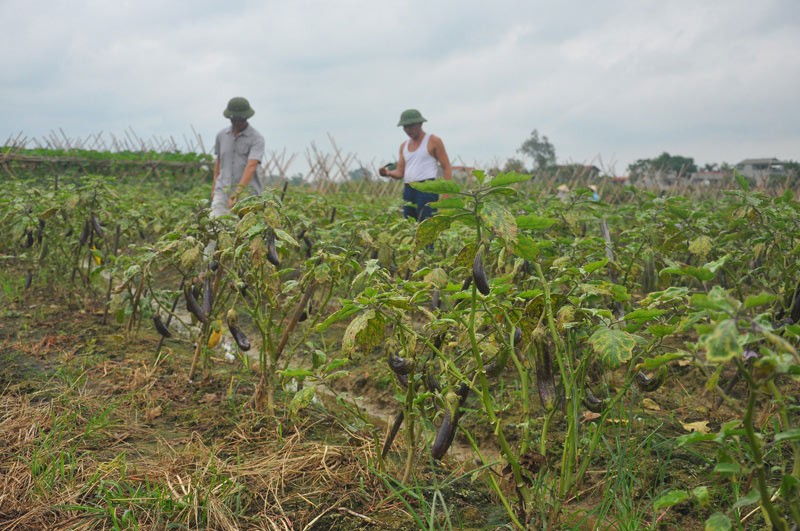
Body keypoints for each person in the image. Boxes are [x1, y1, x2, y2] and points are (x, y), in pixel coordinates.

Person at [379, 109, 452, 221]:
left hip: (427, 188)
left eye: (411, 126)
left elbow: (446, 167)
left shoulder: (433, 141)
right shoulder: (404, 146)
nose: (408, 130)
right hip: (409, 189)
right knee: (409, 222)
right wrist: (388, 173)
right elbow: (400, 172)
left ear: (420, 124)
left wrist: (447, 194)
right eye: (405, 127)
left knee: (427, 221)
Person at [211, 97, 266, 217]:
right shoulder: (221, 136)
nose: (237, 122)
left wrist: (237, 193)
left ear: (246, 118)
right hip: (222, 190)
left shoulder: (256, 138)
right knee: (214, 226)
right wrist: (214, 187)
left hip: (247, 194)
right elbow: (218, 162)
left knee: (244, 231)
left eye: (240, 119)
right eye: (234, 119)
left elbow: (251, 166)